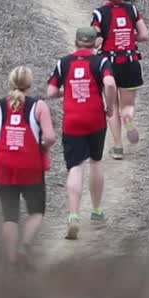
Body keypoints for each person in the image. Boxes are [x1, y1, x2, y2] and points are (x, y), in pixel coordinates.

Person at [45, 27, 117, 240]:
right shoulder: (101, 61)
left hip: (73, 121)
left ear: (75, 42)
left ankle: (74, 216)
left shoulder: (64, 62)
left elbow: (50, 92)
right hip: (95, 119)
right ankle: (96, 211)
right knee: (95, 161)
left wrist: (66, 90)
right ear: (95, 43)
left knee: (75, 167)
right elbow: (110, 83)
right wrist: (110, 107)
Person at [0, 65, 56, 268]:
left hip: (4, 165)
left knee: (10, 216)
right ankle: (25, 246)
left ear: (11, 82)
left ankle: (12, 262)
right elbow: (50, 137)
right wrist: (43, 145)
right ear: (30, 85)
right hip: (30, 165)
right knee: (36, 211)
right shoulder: (39, 106)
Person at [91, 0, 149, 159]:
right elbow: (144, 36)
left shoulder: (99, 13)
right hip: (130, 63)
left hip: (109, 65)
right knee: (127, 106)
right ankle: (129, 119)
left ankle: (117, 147)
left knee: (112, 108)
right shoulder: (132, 10)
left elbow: (96, 41)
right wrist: (129, 38)